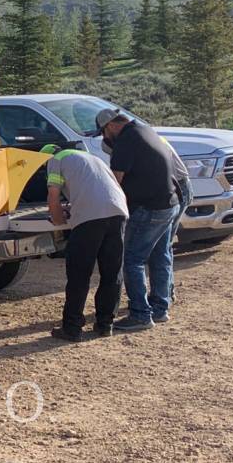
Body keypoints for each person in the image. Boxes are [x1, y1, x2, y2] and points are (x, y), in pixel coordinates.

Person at [98, 108, 180, 331]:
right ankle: (160, 309)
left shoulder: (126, 139)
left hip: (148, 209)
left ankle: (140, 315)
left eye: (104, 132)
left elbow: (116, 181)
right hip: (169, 203)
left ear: (112, 125)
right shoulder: (145, 130)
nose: (105, 138)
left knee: (132, 260)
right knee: (160, 256)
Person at [41, 143, 128, 341]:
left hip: (90, 218)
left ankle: (72, 328)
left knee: (79, 273)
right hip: (118, 212)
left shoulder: (56, 159)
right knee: (112, 272)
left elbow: (53, 198)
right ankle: (105, 324)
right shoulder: (91, 158)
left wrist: (59, 221)